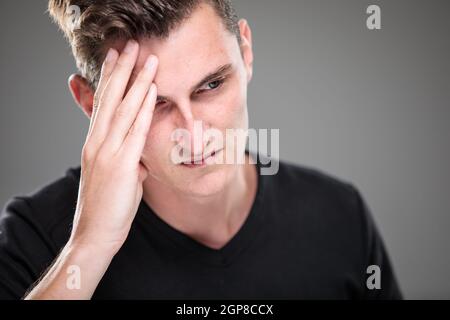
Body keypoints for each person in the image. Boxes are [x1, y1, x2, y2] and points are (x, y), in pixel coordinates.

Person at [0, 0, 402, 299]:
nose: (193, 135)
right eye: (153, 103)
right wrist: (89, 246)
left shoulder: (340, 216)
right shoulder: (37, 237)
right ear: (92, 104)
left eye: (211, 85)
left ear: (245, 51)